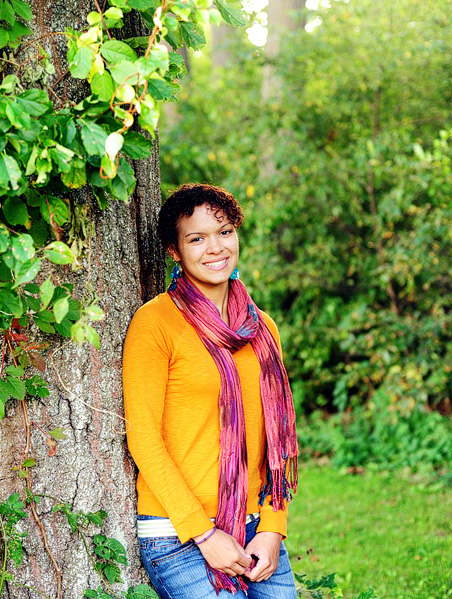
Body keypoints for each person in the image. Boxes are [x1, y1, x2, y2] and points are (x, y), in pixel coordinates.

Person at [122, 184, 299, 598]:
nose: (215, 247)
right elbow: (143, 438)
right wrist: (204, 534)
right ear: (175, 250)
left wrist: (274, 528)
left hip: (256, 525)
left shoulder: (262, 328)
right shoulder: (156, 323)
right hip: (178, 533)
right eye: (197, 238)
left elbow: (276, 438)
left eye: (224, 232)